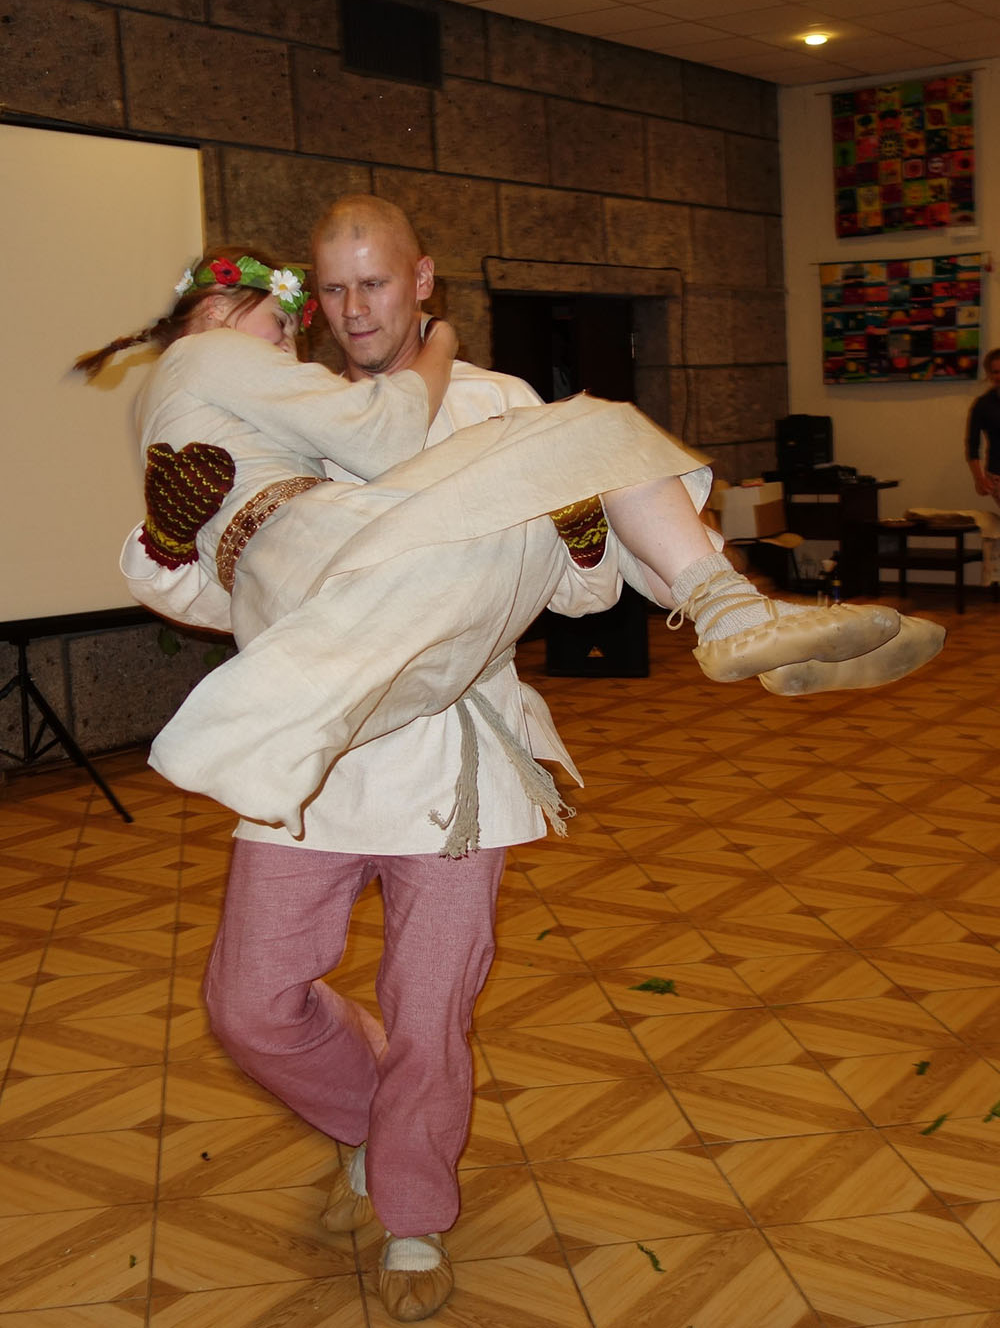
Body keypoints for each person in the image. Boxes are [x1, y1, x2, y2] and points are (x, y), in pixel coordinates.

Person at [101, 197, 941, 1321]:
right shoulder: (280, 403)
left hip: (456, 757)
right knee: (248, 1004)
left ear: (422, 280)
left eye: (374, 284)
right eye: (333, 289)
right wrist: (169, 535)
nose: (354, 310)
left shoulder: (500, 404)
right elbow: (228, 591)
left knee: (431, 1014)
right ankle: (374, 1122)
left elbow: (581, 594)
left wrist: (582, 541)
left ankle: (413, 1215)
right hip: (315, 751)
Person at [966, 346, 1000, 508]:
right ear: (990, 375)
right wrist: (979, 478)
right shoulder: (983, 405)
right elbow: (973, 445)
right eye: (996, 372)